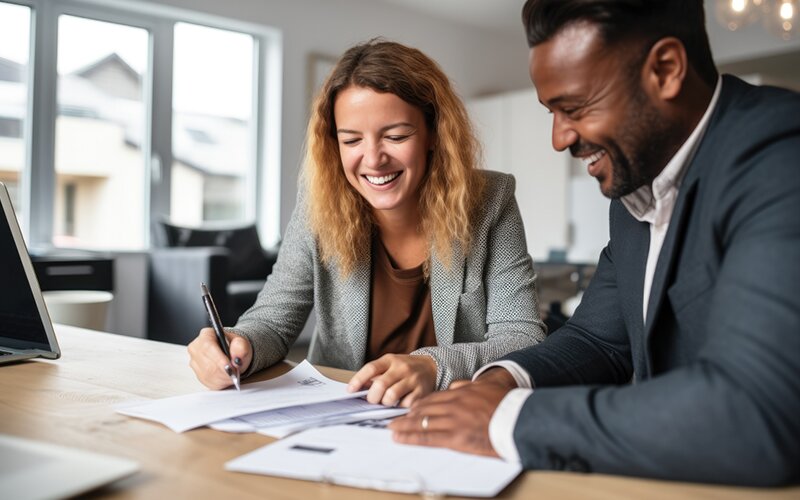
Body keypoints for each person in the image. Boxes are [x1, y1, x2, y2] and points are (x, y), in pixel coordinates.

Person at [389, 0, 800, 486]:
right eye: (551, 112)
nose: (559, 139)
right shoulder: (635, 185)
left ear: (665, 70)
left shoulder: (780, 155)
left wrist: (508, 419)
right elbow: (596, 341)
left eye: (575, 107)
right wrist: (499, 382)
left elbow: (752, 413)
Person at [187, 39, 546, 407]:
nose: (373, 159)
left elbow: (521, 337)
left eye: (396, 136)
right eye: (351, 140)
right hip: (341, 413)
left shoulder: (491, 200)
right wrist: (239, 342)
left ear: (434, 134)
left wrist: (433, 365)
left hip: (447, 413)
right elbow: (273, 322)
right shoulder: (318, 202)